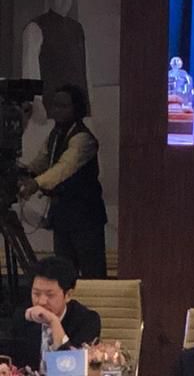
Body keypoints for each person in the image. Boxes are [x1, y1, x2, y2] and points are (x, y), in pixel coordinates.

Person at [19, 83, 107, 278]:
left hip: (85, 218)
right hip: (62, 217)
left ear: (77, 109)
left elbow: (63, 168)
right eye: (55, 105)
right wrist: (25, 172)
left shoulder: (83, 139)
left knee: (92, 274)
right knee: (64, 273)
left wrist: (35, 184)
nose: (57, 110)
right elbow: (43, 160)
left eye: (63, 106)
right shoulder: (56, 134)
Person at [11, 256, 101, 372]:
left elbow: (72, 369)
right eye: (36, 294)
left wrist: (53, 322)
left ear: (68, 295)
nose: (41, 302)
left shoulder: (87, 320)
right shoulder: (23, 317)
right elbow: (14, 362)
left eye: (50, 295)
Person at [21, 0, 89, 109]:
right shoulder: (35, 27)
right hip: (50, 107)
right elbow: (30, 69)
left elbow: (85, 71)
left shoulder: (77, 28)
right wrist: (36, 104)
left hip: (76, 106)